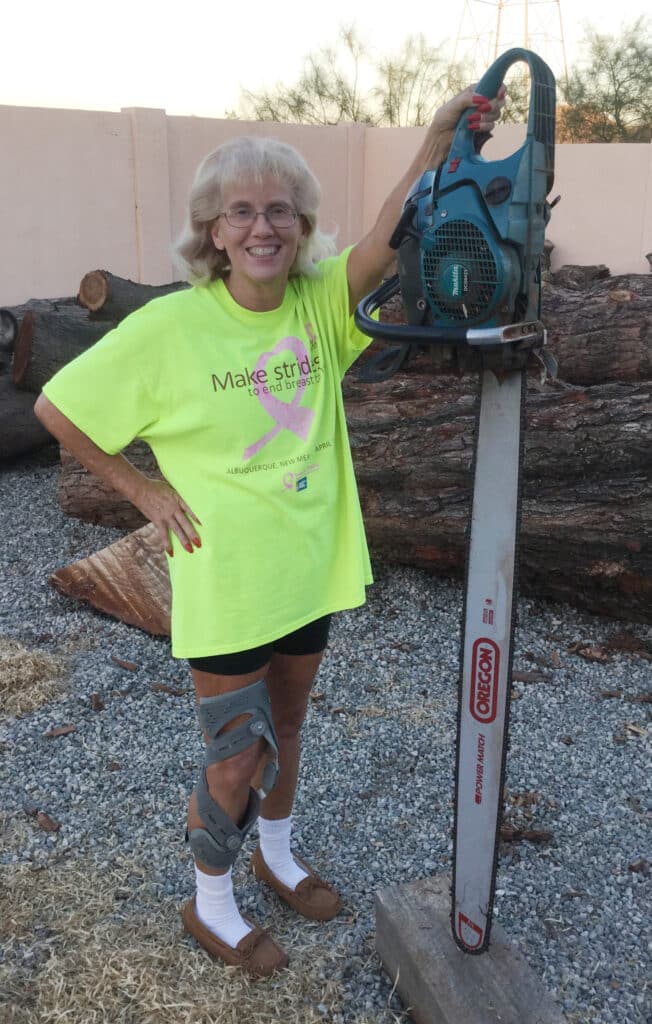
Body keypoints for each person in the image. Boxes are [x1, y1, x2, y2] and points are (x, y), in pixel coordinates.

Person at [34, 85, 504, 977]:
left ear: (300, 225)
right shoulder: (169, 325)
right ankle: (209, 904)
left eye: (280, 211)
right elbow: (60, 408)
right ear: (213, 231)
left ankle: (276, 855)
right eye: (242, 212)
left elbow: (385, 236)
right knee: (236, 751)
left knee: (289, 726)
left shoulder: (320, 304)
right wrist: (142, 491)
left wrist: (438, 140)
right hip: (229, 576)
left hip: (310, 565)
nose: (263, 227)